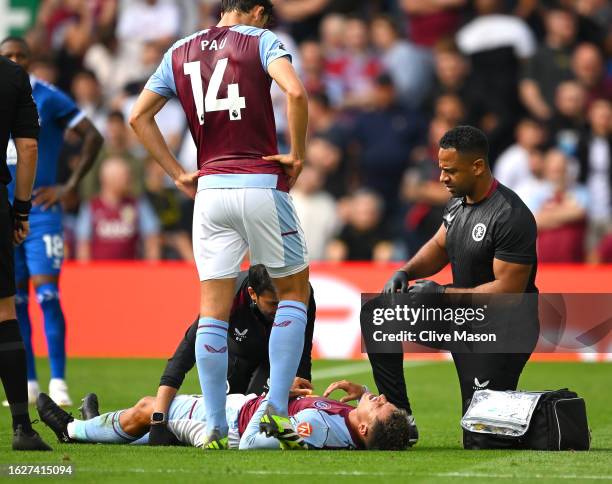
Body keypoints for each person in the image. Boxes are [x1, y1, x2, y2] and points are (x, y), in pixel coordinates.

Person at [129, 0, 310, 449]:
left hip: (209, 192)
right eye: (264, 16)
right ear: (252, 10)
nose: (264, 23)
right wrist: (298, 154)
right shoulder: (262, 41)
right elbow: (297, 92)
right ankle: (277, 415)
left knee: (213, 308)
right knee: (293, 293)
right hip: (260, 182)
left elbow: (138, 116)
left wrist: (176, 173)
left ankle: (213, 425)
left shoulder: (179, 50)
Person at [381, 125, 539, 449]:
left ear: (478, 166)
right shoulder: (456, 204)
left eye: (450, 170)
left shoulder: (511, 215)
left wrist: (440, 294)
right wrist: (405, 271)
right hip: (459, 317)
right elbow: (440, 247)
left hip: (501, 329)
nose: (442, 178)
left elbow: (508, 295)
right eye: (441, 168)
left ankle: (543, 417)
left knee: (480, 439)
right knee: (378, 316)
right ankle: (402, 417)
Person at [1, 36, 104, 407]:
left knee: (47, 294)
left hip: (42, 209)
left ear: (30, 60)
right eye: (7, 56)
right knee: (14, 300)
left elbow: (93, 135)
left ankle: (58, 380)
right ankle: (29, 381)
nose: (14, 61)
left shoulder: (47, 96)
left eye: (20, 56)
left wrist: (67, 186)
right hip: (4, 210)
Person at [148, 264, 316, 445]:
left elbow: (303, 347)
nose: (282, 312)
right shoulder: (228, 295)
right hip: (236, 360)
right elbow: (183, 355)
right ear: (253, 293)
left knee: (250, 421)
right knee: (229, 416)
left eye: (285, 304)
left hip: (273, 365)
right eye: (273, 303)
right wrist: (158, 419)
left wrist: (300, 389)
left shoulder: (299, 292)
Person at [36, 380, 410, 451]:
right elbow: (401, 432)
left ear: (363, 427)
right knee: (149, 417)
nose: (378, 397)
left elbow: (257, 439)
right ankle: (97, 424)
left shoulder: (320, 431)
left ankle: (72, 429)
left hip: (229, 425)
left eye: (379, 405)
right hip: (236, 408)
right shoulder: (349, 423)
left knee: (151, 408)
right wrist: (361, 393)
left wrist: (276, 392)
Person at [0, 53, 51, 450]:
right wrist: (21, 211)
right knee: (4, 313)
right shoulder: (13, 75)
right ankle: (22, 428)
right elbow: (28, 148)